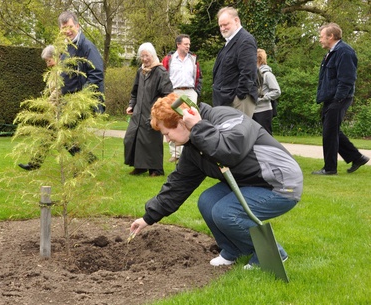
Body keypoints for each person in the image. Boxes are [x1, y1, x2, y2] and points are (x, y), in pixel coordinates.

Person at [129, 92, 303, 269]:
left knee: (225, 211)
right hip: (250, 182)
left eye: (167, 133)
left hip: (280, 183)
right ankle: (233, 250)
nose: (168, 140)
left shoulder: (226, 117)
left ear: (182, 122)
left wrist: (198, 127)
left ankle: (271, 255)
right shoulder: (193, 147)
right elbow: (178, 185)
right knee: (207, 201)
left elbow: (228, 152)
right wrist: (148, 218)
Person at [18, 10, 104, 170]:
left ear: (77, 26)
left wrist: (82, 98)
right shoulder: (65, 48)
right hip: (66, 100)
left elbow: (96, 73)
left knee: (64, 134)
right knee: (54, 130)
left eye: (70, 27)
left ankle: (85, 164)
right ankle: (36, 163)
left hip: (81, 102)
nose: (68, 31)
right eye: (64, 29)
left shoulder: (86, 47)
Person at [312, 23, 369, 175]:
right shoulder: (332, 52)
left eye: (321, 36)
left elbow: (347, 79)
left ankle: (330, 169)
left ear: (331, 36)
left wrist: (338, 99)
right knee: (331, 130)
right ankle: (357, 158)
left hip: (339, 99)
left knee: (329, 133)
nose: (319, 40)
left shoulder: (344, 52)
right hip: (331, 98)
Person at [124, 43, 173, 177]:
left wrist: (159, 111)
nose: (145, 59)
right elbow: (134, 91)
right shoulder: (141, 71)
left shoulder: (160, 71)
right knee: (132, 138)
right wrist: (131, 105)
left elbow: (167, 94)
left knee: (151, 141)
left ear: (153, 55)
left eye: (147, 55)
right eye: (142, 56)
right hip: (138, 111)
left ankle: (156, 169)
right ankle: (139, 166)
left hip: (153, 112)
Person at [162, 34, 202, 162]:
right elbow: (163, 76)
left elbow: (198, 76)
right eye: (186, 44)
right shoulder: (169, 59)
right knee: (173, 120)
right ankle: (175, 153)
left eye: (189, 44)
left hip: (190, 92)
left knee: (190, 120)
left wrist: (197, 91)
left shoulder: (193, 59)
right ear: (178, 44)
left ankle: (188, 152)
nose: (188, 46)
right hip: (174, 92)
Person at [212, 6, 258, 117]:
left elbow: (248, 71)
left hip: (238, 101)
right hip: (226, 100)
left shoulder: (245, 40)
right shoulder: (230, 41)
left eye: (225, 24)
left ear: (236, 20)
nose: (223, 28)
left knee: (239, 133)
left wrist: (239, 97)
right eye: (220, 26)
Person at [253, 48, 281, 135]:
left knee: (265, 136)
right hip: (252, 111)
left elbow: (277, 91)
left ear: (258, 59)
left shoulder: (267, 75)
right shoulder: (251, 75)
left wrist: (262, 98)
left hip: (263, 110)